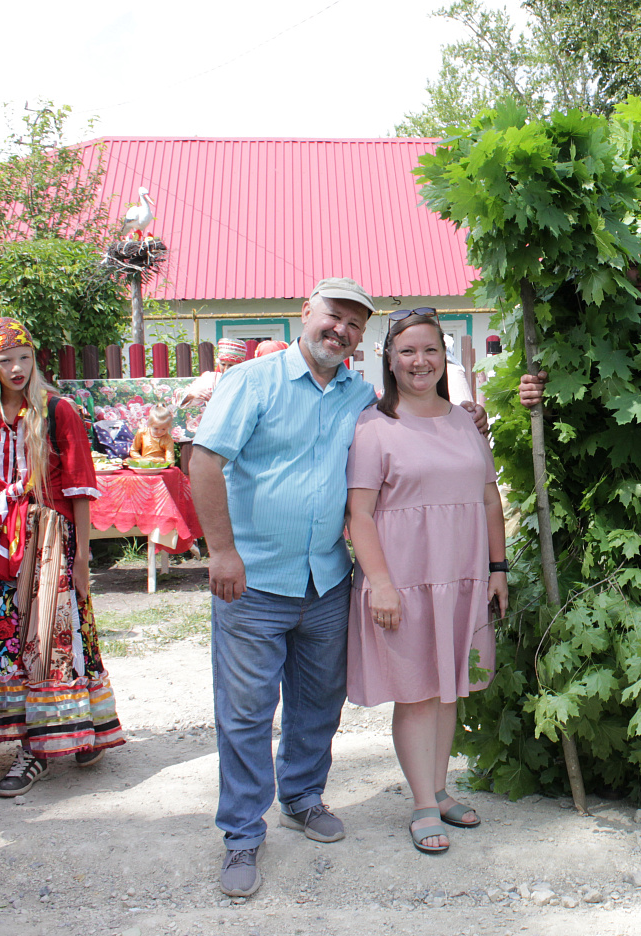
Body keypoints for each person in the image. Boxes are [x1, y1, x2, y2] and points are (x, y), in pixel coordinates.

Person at [190, 282, 489, 896]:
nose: (342, 331)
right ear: (307, 314)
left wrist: (472, 416)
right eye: (334, 317)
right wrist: (221, 551)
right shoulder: (252, 382)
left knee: (317, 702)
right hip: (256, 577)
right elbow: (204, 460)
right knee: (246, 713)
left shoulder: (360, 396)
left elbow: (421, 423)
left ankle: (302, 796)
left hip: (326, 578)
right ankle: (243, 834)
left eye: (354, 324)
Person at [346, 310, 506, 853]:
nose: (421, 362)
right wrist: (381, 584)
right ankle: (419, 805)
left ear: (445, 357)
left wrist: (497, 569)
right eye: (408, 351)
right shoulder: (374, 427)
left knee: (447, 689)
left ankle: (438, 790)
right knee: (415, 694)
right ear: (389, 360)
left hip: (460, 574)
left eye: (431, 351)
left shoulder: (465, 421)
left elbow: (489, 497)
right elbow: (360, 515)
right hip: (406, 579)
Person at [0, 317, 124, 797]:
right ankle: (54, 732)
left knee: (54, 635)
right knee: (9, 640)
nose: (16, 368)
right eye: (5, 360)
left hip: (50, 538)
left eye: (24, 358)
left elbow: (79, 489)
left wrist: (83, 559)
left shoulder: (56, 410)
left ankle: (44, 745)